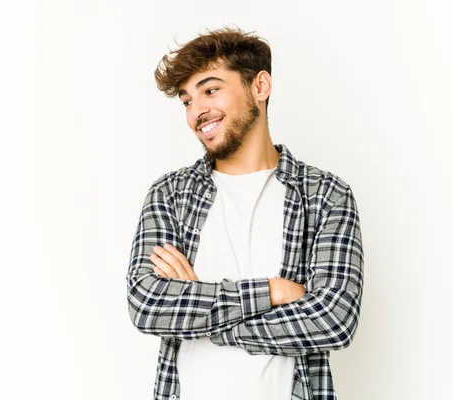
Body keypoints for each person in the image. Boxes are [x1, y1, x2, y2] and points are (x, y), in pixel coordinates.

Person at [126, 26, 364, 400]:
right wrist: (272, 292)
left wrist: (200, 315)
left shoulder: (326, 195)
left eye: (210, 89)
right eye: (187, 101)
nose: (196, 112)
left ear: (260, 87)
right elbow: (148, 304)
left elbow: (334, 319)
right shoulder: (170, 195)